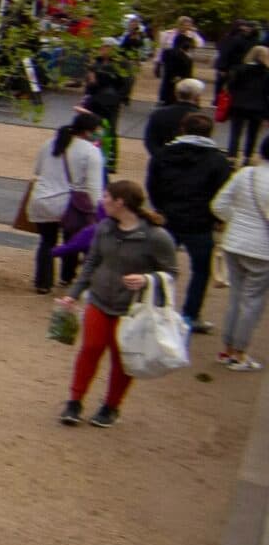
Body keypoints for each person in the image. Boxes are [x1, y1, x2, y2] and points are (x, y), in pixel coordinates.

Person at [55, 179, 181, 428]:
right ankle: (74, 401)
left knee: (122, 358)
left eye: (107, 198)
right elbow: (92, 262)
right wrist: (75, 293)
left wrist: (147, 279)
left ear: (120, 203)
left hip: (130, 309)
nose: (103, 201)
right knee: (91, 348)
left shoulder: (156, 237)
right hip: (100, 299)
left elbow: (172, 272)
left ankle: (111, 406)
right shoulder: (104, 228)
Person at [148, 114, 231, 335]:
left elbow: (152, 185)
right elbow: (222, 193)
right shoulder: (218, 161)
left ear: (182, 129)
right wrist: (215, 219)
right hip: (200, 222)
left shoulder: (164, 154)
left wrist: (161, 209)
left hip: (169, 218)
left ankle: (157, 307)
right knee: (201, 271)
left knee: (161, 267)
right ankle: (190, 314)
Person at [29, 113, 109, 294]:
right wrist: (98, 211)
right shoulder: (91, 152)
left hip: (42, 199)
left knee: (46, 241)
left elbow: (38, 170)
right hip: (70, 204)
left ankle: (43, 282)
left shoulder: (49, 144)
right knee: (72, 240)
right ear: (88, 131)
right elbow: (94, 186)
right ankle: (67, 276)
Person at [210, 155, 269, 371]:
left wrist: (235, 221)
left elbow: (219, 205)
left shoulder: (246, 174)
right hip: (263, 250)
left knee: (236, 297)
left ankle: (227, 349)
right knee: (252, 302)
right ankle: (239, 353)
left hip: (234, 243)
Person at [145, 78, 208, 160]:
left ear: (176, 94)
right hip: (191, 165)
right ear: (197, 97)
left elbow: (150, 142)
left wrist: (161, 157)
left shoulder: (158, 114)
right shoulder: (201, 118)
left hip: (162, 162)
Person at [228, 46, 269, 165]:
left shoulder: (239, 69)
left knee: (235, 132)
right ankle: (247, 157)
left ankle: (232, 156)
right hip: (258, 106)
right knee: (253, 133)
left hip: (238, 104)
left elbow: (231, 86)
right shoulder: (266, 72)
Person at [158, 34, 197, 108]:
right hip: (180, 79)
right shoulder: (183, 55)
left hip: (169, 79)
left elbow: (164, 63)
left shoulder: (167, 52)